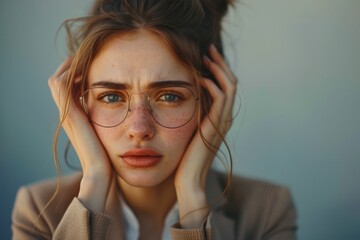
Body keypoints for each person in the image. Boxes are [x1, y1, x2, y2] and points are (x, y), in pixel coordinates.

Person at [12, 0, 297, 239]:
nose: (139, 129)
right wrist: (94, 181)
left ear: (211, 101)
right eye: (111, 97)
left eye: (169, 96)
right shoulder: (38, 211)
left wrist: (193, 199)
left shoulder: (267, 211)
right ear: (79, 104)